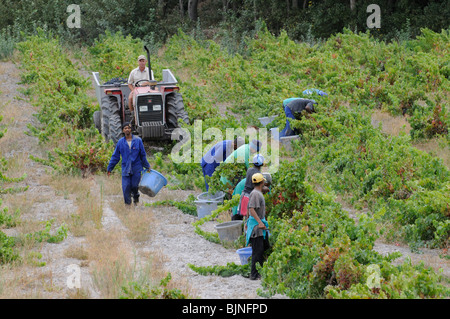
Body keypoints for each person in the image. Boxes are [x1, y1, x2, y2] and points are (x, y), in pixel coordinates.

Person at [107, 122, 150, 206]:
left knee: (134, 186)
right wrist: (110, 168)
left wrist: (147, 166)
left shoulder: (138, 141)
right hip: (126, 168)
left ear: (131, 129)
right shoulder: (120, 142)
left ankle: (136, 197)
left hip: (136, 168)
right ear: (123, 130)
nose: (127, 129)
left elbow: (143, 155)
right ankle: (128, 206)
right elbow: (115, 156)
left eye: (128, 128)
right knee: (126, 187)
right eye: (125, 128)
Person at [246, 173, 269, 280]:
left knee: (262, 248)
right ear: (262, 182)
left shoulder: (256, 192)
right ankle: (254, 275)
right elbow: (251, 209)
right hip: (257, 228)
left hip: (258, 226)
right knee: (257, 251)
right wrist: (260, 222)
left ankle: (258, 272)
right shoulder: (256, 194)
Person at [237, 154, 264, 219]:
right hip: (251, 197)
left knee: (246, 217)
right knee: (251, 217)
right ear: (262, 164)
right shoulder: (258, 174)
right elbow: (257, 187)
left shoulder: (249, 170)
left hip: (244, 195)